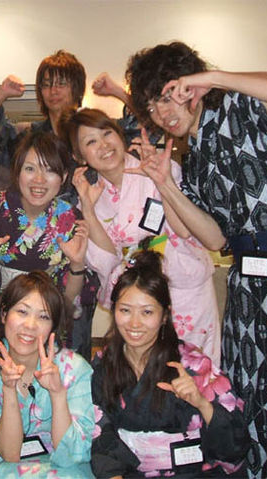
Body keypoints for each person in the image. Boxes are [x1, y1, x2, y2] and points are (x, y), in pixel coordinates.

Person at [125, 41, 267, 478]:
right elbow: (214, 237)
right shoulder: (194, 155)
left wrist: (215, 78)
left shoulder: (241, 106)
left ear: (190, 84)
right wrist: (165, 183)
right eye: (152, 107)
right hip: (245, 280)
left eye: (166, 97)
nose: (162, 114)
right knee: (245, 393)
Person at [61, 107, 221, 366]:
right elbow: (106, 261)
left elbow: (184, 230)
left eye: (107, 133)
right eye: (91, 142)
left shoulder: (158, 166)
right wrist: (88, 210)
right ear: (79, 156)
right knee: (145, 372)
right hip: (137, 300)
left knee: (193, 371)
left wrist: (161, 180)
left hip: (183, 287)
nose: (104, 145)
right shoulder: (90, 196)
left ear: (120, 135)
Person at [91, 250, 249, 478]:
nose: (134, 323)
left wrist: (202, 403)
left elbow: (235, 447)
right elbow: (100, 432)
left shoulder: (194, 365)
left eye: (147, 312)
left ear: (165, 315)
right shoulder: (103, 365)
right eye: (125, 310)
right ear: (114, 310)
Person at [0, 130, 93, 357]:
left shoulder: (71, 220)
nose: (39, 180)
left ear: (64, 176)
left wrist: (77, 265)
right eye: (30, 169)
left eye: (50, 170)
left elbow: (69, 301)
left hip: (45, 321)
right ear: (17, 171)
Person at [0, 271, 95, 478]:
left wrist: (58, 394)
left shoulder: (74, 369)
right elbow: (8, 454)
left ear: (53, 326)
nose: (30, 325)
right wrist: (9, 390)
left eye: (43, 316)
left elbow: (72, 455)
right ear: (4, 314)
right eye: (22, 312)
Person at [0, 50, 86, 195]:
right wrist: (1, 94)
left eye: (61, 83)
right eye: (46, 84)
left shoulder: (91, 135)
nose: (53, 91)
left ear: (77, 88)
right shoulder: (28, 136)